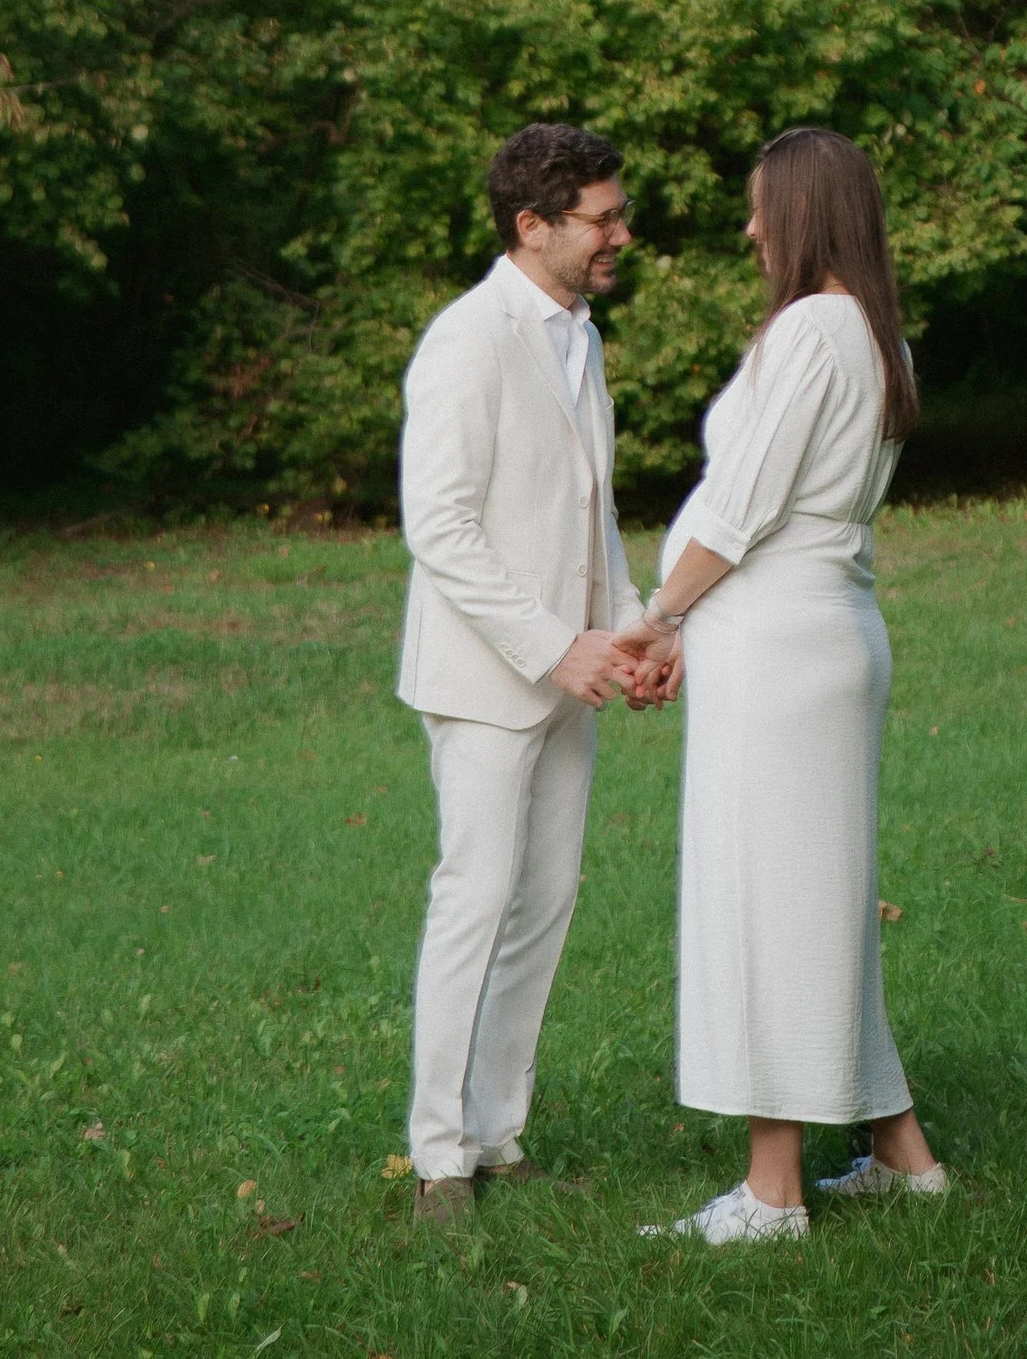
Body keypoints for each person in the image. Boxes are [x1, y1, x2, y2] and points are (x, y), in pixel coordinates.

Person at [623, 126, 947, 1246]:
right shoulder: (879, 335)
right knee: (818, 902)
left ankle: (771, 1196)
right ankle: (902, 1154)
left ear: (805, 212)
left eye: (763, 208)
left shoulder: (813, 329)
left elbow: (738, 504)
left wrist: (658, 618)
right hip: (828, 633)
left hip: (778, 646)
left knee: (769, 904)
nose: (751, 227)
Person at [396, 119, 670, 1230]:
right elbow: (441, 529)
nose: (621, 233)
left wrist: (637, 631)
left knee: (544, 906)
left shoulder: (583, 335)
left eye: (616, 212)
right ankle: (436, 1160)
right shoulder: (466, 341)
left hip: (577, 675)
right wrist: (553, 646)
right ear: (533, 226)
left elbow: (587, 515)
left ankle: (499, 1134)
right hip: (484, 677)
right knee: (474, 900)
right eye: (601, 218)